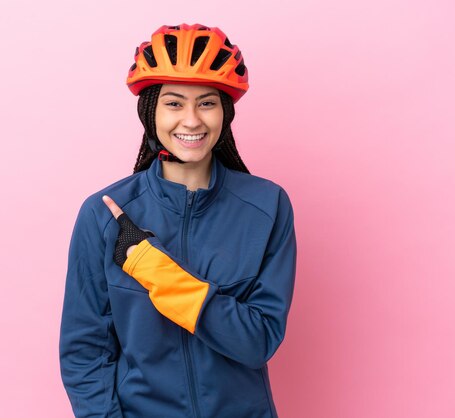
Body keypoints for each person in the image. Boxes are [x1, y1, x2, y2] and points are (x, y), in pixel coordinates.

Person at [59, 23, 297, 418]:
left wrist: (156, 271)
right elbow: (85, 352)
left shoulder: (267, 205)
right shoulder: (104, 214)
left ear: (225, 112)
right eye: (173, 103)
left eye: (206, 102)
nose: (191, 121)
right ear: (150, 111)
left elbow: (258, 342)